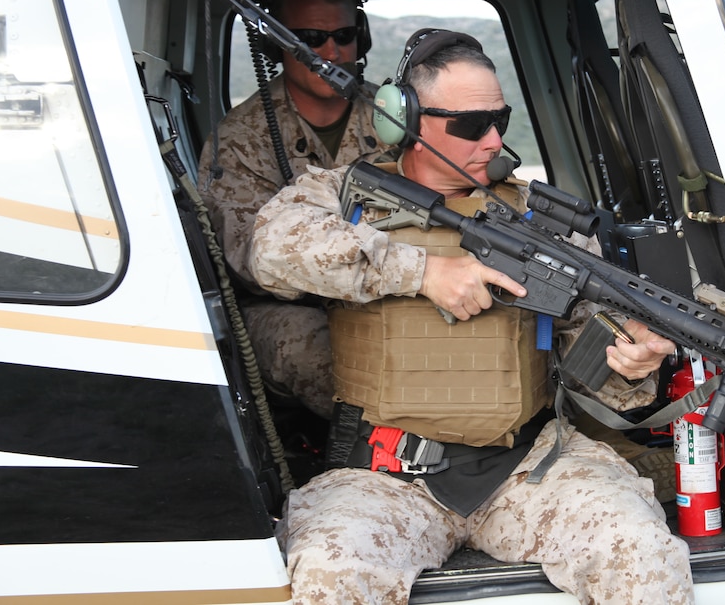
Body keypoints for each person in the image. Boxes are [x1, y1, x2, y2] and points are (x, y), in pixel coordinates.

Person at [248, 29, 696, 603]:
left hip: (529, 465)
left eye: (499, 120)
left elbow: (594, 361)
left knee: (643, 554)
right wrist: (423, 272)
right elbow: (273, 249)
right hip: (384, 474)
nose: (490, 140)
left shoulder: (538, 218)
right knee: (331, 576)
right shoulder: (341, 197)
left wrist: (630, 365)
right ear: (404, 120)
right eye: (469, 126)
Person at [197, 0, 395, 419]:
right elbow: (253, 264)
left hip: (392, 288)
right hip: (290, 305)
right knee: (323, 354)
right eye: (310, 38)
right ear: (278, 44)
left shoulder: (392, 119)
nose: (331, 52)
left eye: (343, 35)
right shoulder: (241, 139)